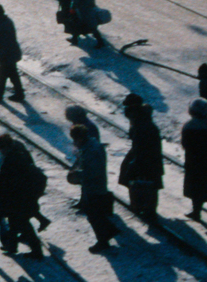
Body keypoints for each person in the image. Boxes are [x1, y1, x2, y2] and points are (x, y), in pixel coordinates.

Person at [69, 123, 120, 252]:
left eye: (75, 139)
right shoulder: (90, 146)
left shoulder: (91, 150)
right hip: (93, 186)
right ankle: (109, 232)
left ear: (79, 138)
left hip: (95, 187)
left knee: (94, 215)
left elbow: (93, 171)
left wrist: (78, 175)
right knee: (95, 213)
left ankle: (103, 240)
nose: (74, 142)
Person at [119, 94, 164, 228]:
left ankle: (145, 209)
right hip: (150, 157)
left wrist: (135, 163)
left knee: (144, 183)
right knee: (150, 183)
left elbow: (141, 146)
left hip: (145, 157)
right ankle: (147, 209)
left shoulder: (140, 124)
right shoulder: (142, 119)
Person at [0, 4, 24, 102]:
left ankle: (0, 94)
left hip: (8, 54)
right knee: (11, 74)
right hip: (10, 53)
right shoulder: (5, 22)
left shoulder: (4, 25)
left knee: (4, 74)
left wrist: (1, 53)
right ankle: (18, 94)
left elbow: (5, 41)